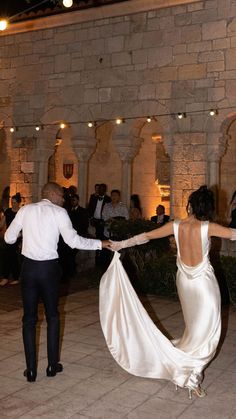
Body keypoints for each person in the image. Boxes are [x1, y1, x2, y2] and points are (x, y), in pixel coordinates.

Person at [102, 185, 236, 399]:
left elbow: (146, 236)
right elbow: (234, 234)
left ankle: (182, 368)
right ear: (208, 208)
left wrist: (121, 244)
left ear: (190, 205)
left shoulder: (176, 225)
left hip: (184, 282)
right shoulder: (208, 227)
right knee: (208, 333)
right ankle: (191, 378)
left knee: (193, 329)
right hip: (203, 285)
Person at [4, 182, 110, 383]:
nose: (64, 199)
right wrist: (100, 244)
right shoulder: (59, 212)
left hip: (29, 269)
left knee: (29, 319)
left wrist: (25, 233)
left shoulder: (26, 210)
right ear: (51, 194)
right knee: (52, 315)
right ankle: (52, 365)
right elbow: (74, 241)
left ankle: (31, 370)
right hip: (49, 270)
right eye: (61, 195)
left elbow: (9, 239)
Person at [0, 192, 22, 286]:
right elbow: (2, 223)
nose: (13, 204)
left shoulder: (21, 213)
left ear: (18, 203)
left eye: (14, 202)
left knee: (11, 256)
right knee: (8, 255)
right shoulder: (8, 211)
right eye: (12, 202)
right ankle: (8, 277)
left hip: (18, 237)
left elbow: (24, 227)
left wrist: (21, 240)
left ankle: (10, 277)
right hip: (9, 237)